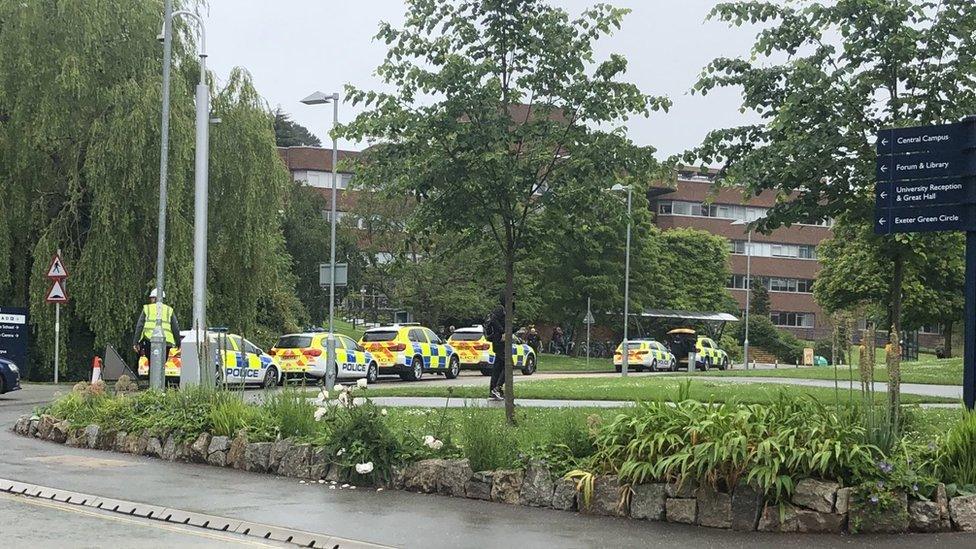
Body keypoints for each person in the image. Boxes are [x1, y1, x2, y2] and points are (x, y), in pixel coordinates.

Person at [132, 288, 180, 366]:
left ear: (154, 298)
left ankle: (152, 377)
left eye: (151, 298)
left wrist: (135, 342)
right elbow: (175, 328)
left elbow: (140, 326)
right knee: (161, 365)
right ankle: (159, 378)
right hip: (166, 342)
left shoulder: (147, 309)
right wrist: (178, 342)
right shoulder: (169, 310)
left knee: (152, 364)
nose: (151, 300)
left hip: (149, 341)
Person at [485, 292, 507, 401]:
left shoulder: (507, 310)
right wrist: (503, 332)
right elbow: (494, 320)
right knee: (509, 364)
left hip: (501, 341)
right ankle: (497, 388)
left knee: (498, 366)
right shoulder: (500, 309)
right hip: (499, 341)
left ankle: (493, 390)